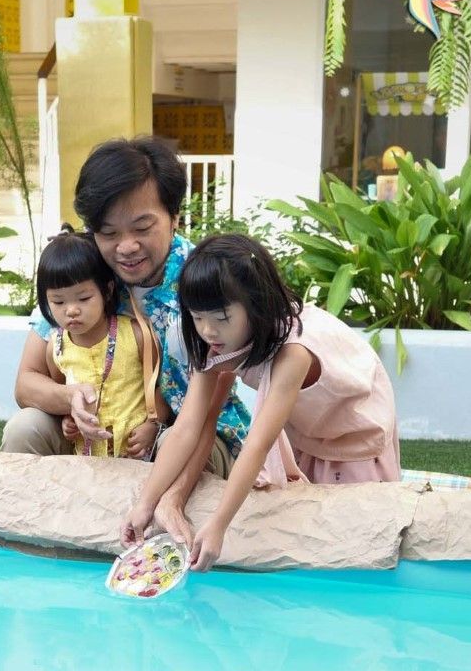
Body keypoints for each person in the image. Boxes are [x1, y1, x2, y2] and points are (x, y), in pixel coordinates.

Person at [2, 138, 253, 535]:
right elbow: (26, 382)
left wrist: (159, 436)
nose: (126, 247)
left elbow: (204, 413)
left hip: (192, 440)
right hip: (93, 437)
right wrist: (71, 399)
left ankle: (166, 546)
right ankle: (28, 544)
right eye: (108, 232)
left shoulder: (205, 280)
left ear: (174, 216)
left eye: (142, 227)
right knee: (25, 428)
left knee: (174, 447)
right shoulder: (81, 276)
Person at [122, 234, 401, 572]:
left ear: (255, 304)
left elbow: (258, 444)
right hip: (307, 427)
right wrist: (145, 504)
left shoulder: (294, 351)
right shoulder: (215, 342)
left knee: (356, 545)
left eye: (221, 317)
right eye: (197, 317)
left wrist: (218, 525)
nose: (208, 330)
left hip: (353, 427)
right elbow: (190, 426)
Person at [35, 227, 165, 458]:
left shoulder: (137, 335)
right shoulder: (56, 347)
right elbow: (63, 391)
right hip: (86, 462)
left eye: (84, 298)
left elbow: (161, 388)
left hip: (136, 457)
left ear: (107, 290)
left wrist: (153, 424)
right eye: (58, 302)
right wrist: (68, 420)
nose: (71, 310)